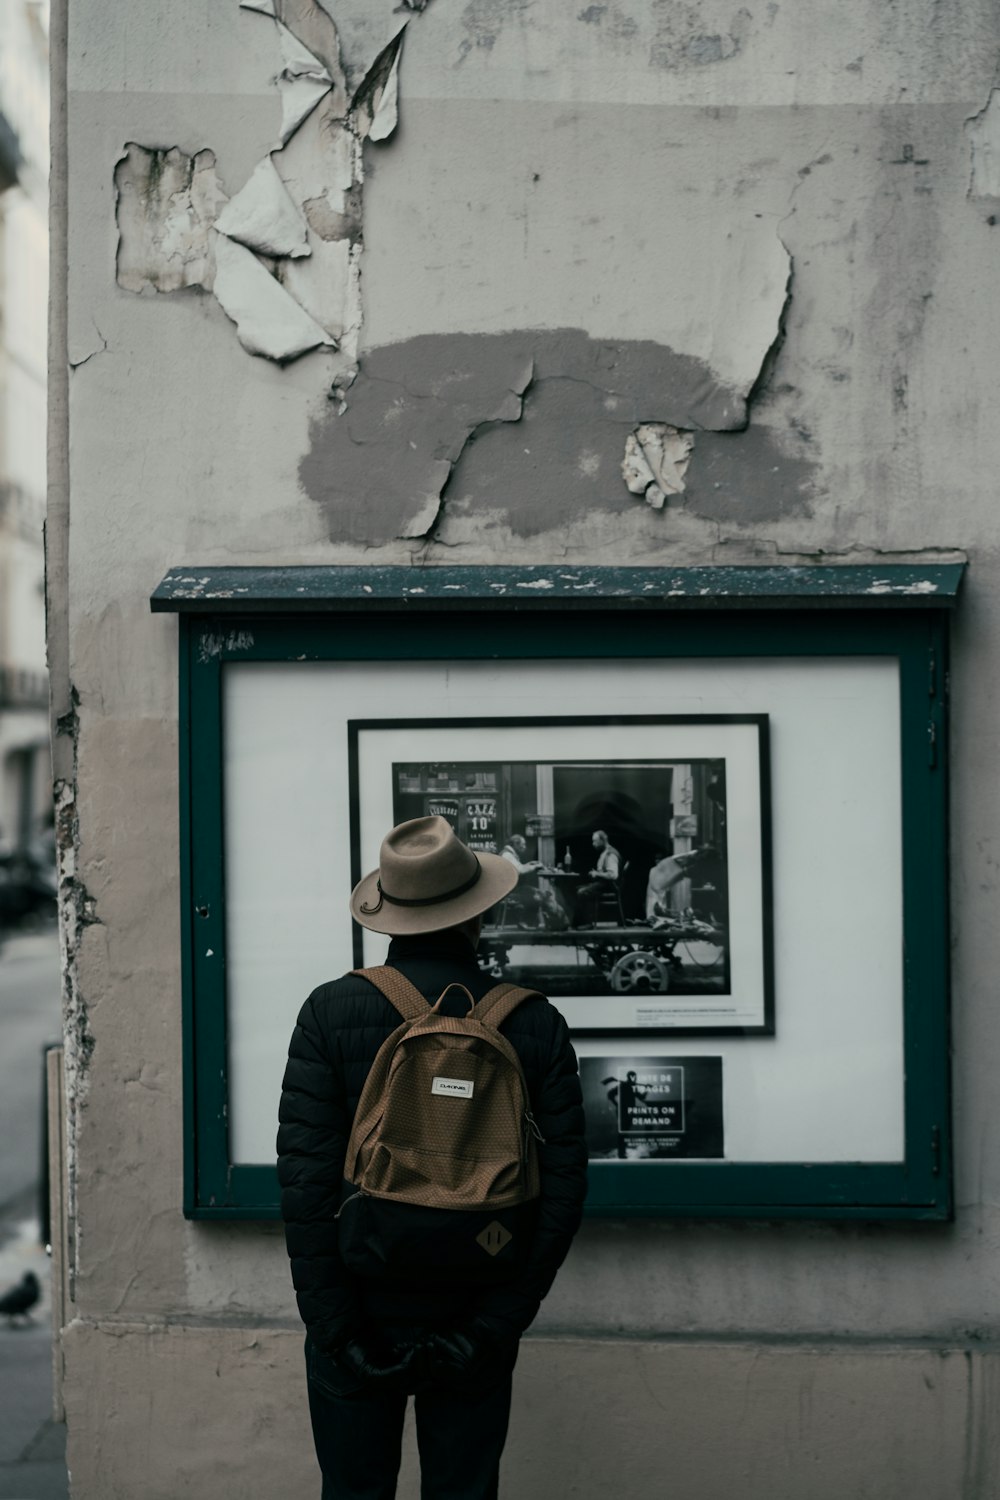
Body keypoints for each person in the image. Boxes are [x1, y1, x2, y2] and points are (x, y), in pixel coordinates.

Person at [277, 815, 588, 1499]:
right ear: (478, 914)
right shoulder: (533, 1021)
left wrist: (339, 1333)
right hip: (476, 1294)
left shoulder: (329, 1013)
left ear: (388, 917)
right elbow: (562, 1192)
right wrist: (490, 1329)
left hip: (360, 1297)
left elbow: (304, 1189)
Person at [573, 828, 621, 926]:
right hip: (604, 884)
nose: (593, 844)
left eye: (595, 841)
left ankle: (588, 923)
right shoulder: (605, 853)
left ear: (602, 840)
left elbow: (613, 875)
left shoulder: (610, 854)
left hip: (610, 886)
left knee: (582, 892)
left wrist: (597, 874)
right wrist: (597, 873)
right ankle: (578, 922)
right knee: (577, 889)